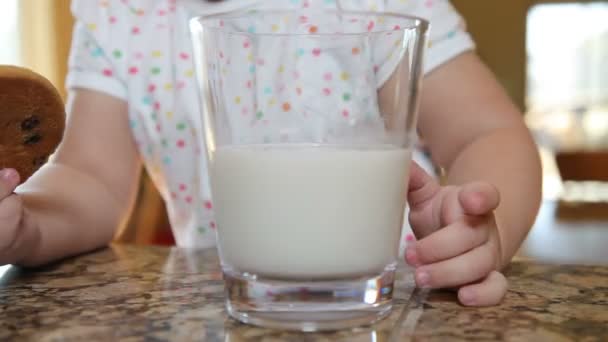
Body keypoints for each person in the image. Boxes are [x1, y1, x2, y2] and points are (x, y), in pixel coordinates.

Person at [0, 0, 541, 307]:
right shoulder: (120, 15)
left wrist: (478, 231)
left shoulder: (379, 6)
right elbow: (88, 175)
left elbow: (486, 134)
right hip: (227, 307)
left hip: (392, 294)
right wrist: (27, 223)